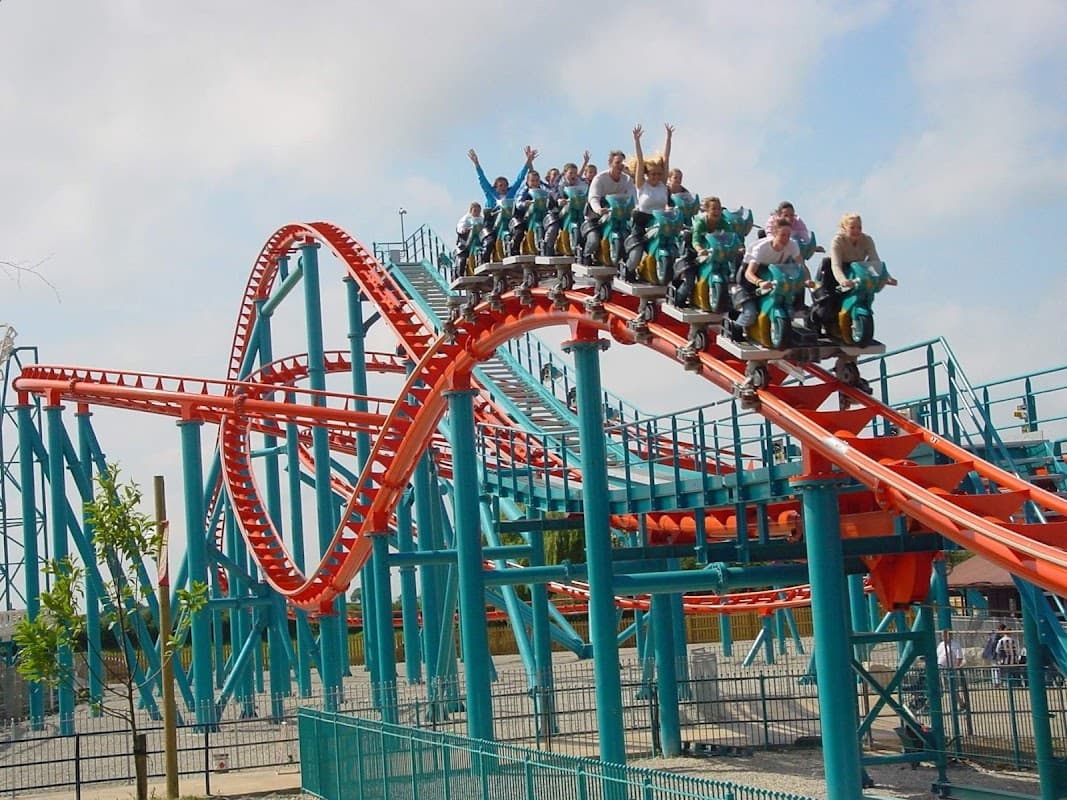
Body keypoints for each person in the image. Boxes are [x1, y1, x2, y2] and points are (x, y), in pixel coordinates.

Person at [722, 217, 811, 342]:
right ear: (774, 234)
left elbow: (801, 265)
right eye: (782, 235)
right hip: (751, 278)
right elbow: (749, 273)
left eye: (788, 235)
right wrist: (759, 282)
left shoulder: (792, 245)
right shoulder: (762, 248)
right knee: (750, 313)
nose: (786, 238)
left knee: (788, 305)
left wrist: (807, 280)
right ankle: (736, 329)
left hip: (774, 275)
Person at [809, 212, 897, 336]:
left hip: (857, 270)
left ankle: (852, 322)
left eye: (859, 228)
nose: (856, 231)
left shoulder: (867, 240)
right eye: (852, 228)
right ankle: (814, 320)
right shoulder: (838, 240)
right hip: (833, 270)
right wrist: (842, 280)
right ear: (844, 228)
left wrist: (886, 276)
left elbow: (875, 261)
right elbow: (836, 265)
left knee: (865, 292)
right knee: (827, 305)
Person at [468, 145, 538, 262]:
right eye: (501, 186)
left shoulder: (510, 194)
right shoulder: (491, 194)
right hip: (493, 222)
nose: (504, 188)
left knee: (520, 229)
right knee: (490, 241)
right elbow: (482, 180)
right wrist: (477, 164)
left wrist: (528, 161)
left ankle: (515, 249)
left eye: (505, 185)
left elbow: (519, 179)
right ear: (495, 187)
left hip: (508, 219)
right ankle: (484, 260)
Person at [625, 123, 674, 279]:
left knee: (671, 244)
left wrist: (668, 137)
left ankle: (665, 271)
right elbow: (640, 162)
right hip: (641, 220)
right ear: (647, 174)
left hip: (659, 220)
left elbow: (666, 160)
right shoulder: (642, 184)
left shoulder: (662, 184)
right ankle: (628, 271)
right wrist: (637, 141)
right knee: (637, 254)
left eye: (658, 175)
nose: (656, 177)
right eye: (653, 174)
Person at [581, 149, 637, 266]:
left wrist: (635, 210)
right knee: (593, 240)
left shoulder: (627, 180)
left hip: (618, 215)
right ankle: (585, 256)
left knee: (630, 237)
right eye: (617, 162)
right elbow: (593, 198)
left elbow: (633, 197)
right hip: (596, 216)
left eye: (622, 163)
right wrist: (598, 209)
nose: (620, 166)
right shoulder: (600, 178)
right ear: (610, 163)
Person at [452, 202, 484, 280]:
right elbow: (460, 228)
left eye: (478, 211)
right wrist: (465, 230)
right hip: (465, 242)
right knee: (462, 259)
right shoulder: (466, 219)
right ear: (471, 210)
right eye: (475, 211)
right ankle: (459, 274)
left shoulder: (481, 218)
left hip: (477, 240)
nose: (477, 213)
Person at [936, 629, 967, 709]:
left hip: (950, 668)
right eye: (943, 635)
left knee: (952, 687)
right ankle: (930, 704)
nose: (944, 637)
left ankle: (961, 704)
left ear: (950, 636)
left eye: (946, 635)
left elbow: (959, 657)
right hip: (940, 667)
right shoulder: (941, 645)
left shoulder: (955, 645)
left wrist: (955, 667)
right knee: (937, 687)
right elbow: (938, 656)